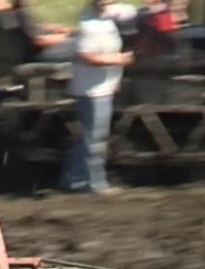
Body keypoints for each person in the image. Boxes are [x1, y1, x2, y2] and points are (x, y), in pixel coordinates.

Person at [58, 0, 135, 195]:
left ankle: (72, 178)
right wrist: (119, 60)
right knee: (95, 138)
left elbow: (131, 11)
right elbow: (87, 56)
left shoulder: (106, 19)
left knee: (88, 137)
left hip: (103, 87)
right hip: (92, 90)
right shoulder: (89, 26)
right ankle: (94, 183)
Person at [0, 0, 77, 67]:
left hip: (15, 56)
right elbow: (38, 41)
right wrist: (66, 37)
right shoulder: (12, 10)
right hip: (33, 55)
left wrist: (52, 29)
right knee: (85, 46)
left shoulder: (4, 9)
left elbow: (19, 29)